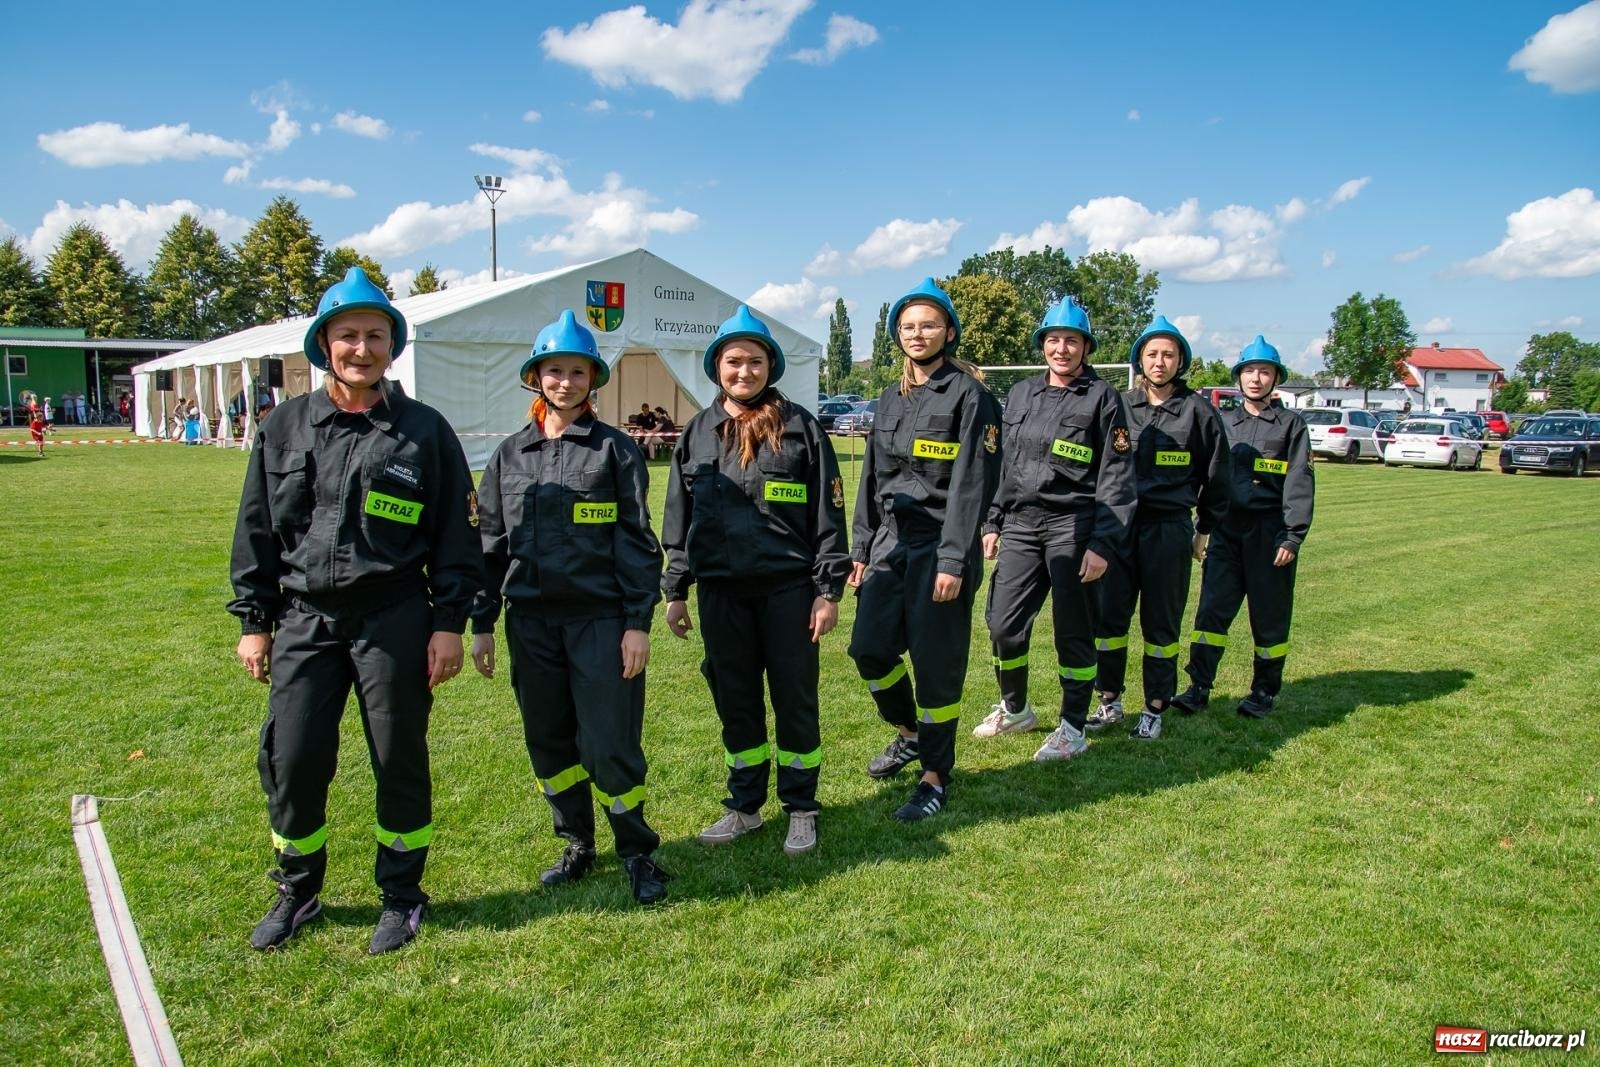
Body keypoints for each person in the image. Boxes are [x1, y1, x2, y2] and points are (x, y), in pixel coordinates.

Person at [228, 267, 483, 955]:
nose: (361, 348)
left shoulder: (423, 432)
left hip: (394, 615)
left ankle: (402, 896)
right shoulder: (283, 426)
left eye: (375, 335)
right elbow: (256, 529)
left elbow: (458, 541)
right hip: (305, 618)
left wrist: (448, 624)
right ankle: (297, 888)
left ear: (390, 346)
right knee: (295, 753)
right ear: (324, 344)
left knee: (398, 756)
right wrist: (256, 621)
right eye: (348, 336)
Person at [469, 310, 672, 905]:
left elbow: (637, 542)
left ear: (593, 379)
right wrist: (482, 624)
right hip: (530, 623)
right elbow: (488, 546)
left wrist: (637, 624)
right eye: (553, 370)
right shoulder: (510, 454)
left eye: (577, 371)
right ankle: (578, 842)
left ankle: (636, 850)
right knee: (550, 743)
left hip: (602, 622)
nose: (564, 381)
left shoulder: (616, 451)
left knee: (609, 743)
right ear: (536, 377)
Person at [662, 306, 850, 855]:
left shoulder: (801, 429)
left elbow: (827, 517)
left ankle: (801, 807)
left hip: (789, 593)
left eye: (755, 361)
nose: (744, 371)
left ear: (772, 365)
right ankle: (745, 807)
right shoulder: (697, 433)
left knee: (794, 700)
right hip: (723, 595)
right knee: (736, 702)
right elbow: (679, 519)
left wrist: (827, 591)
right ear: (717, 366)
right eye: (733, 361)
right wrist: (676, 590)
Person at [847, 277, 1003, 821]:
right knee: (868, 649)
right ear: (898, 335)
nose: (918, 333)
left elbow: (971, 484)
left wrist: (955, 559)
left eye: (928, 324)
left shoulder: (971, 397)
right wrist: (861, 547)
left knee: (936, 666)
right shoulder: (891, 397)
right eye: (908, 326)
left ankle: (935, 776)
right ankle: (910, 733)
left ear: (949, 332)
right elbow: (871, 477)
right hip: (891, 544)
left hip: (941, 544)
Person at [974, 298, 1136, 761]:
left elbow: (1117, 475)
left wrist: (1103, 542)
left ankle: (1072, 727)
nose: (1061, 349)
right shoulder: (1022, 393)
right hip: (1022, 524)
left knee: (1073, 632)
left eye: (1071, 340)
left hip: (1074, 527)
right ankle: (1016, 707)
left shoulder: (1104, 399)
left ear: (1086, 347)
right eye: (1053, 340)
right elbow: (1006, 462)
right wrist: (993, 519)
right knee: (1003, 624)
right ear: (1042, 344)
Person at [1086, 317, 1229, 740]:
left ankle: (1154, 706)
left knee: (1161, 624)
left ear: (1180, 360)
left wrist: (1203, 527)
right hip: (1118, 529)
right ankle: (1109, 700)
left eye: (1168, 354)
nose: (1160, 362)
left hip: (1168, 530)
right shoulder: (1119, 405)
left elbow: (1218, 475)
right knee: (1109, 621)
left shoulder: (1199, 412)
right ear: (1140, 360)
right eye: (1152, 354)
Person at [1172, 336, 1313, 719]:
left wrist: (1292, 535)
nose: (1256, 378)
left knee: (1269, 616)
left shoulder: (1291, 426)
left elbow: (1299, 481)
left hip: (1269, 534)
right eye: (1249, 370)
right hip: (1225, 531)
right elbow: (1209, 477)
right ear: (1238, 377)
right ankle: (1198, 686)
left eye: (1264, 371)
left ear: (1275, 378)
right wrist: (1203, 525)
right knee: (1211, 614)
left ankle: (1263, 692)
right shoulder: (1223, 422)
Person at [25, 392, 45, 457]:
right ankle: (40, 452)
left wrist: (44, 429)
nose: (35, 399)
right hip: (36, 431)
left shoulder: (35, 406)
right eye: (34, 398)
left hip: (39, 428)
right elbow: (31, 428)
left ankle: (41, 452)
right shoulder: (33, 405)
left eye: (35, 398)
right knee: (39, 442)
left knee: (41, 443)